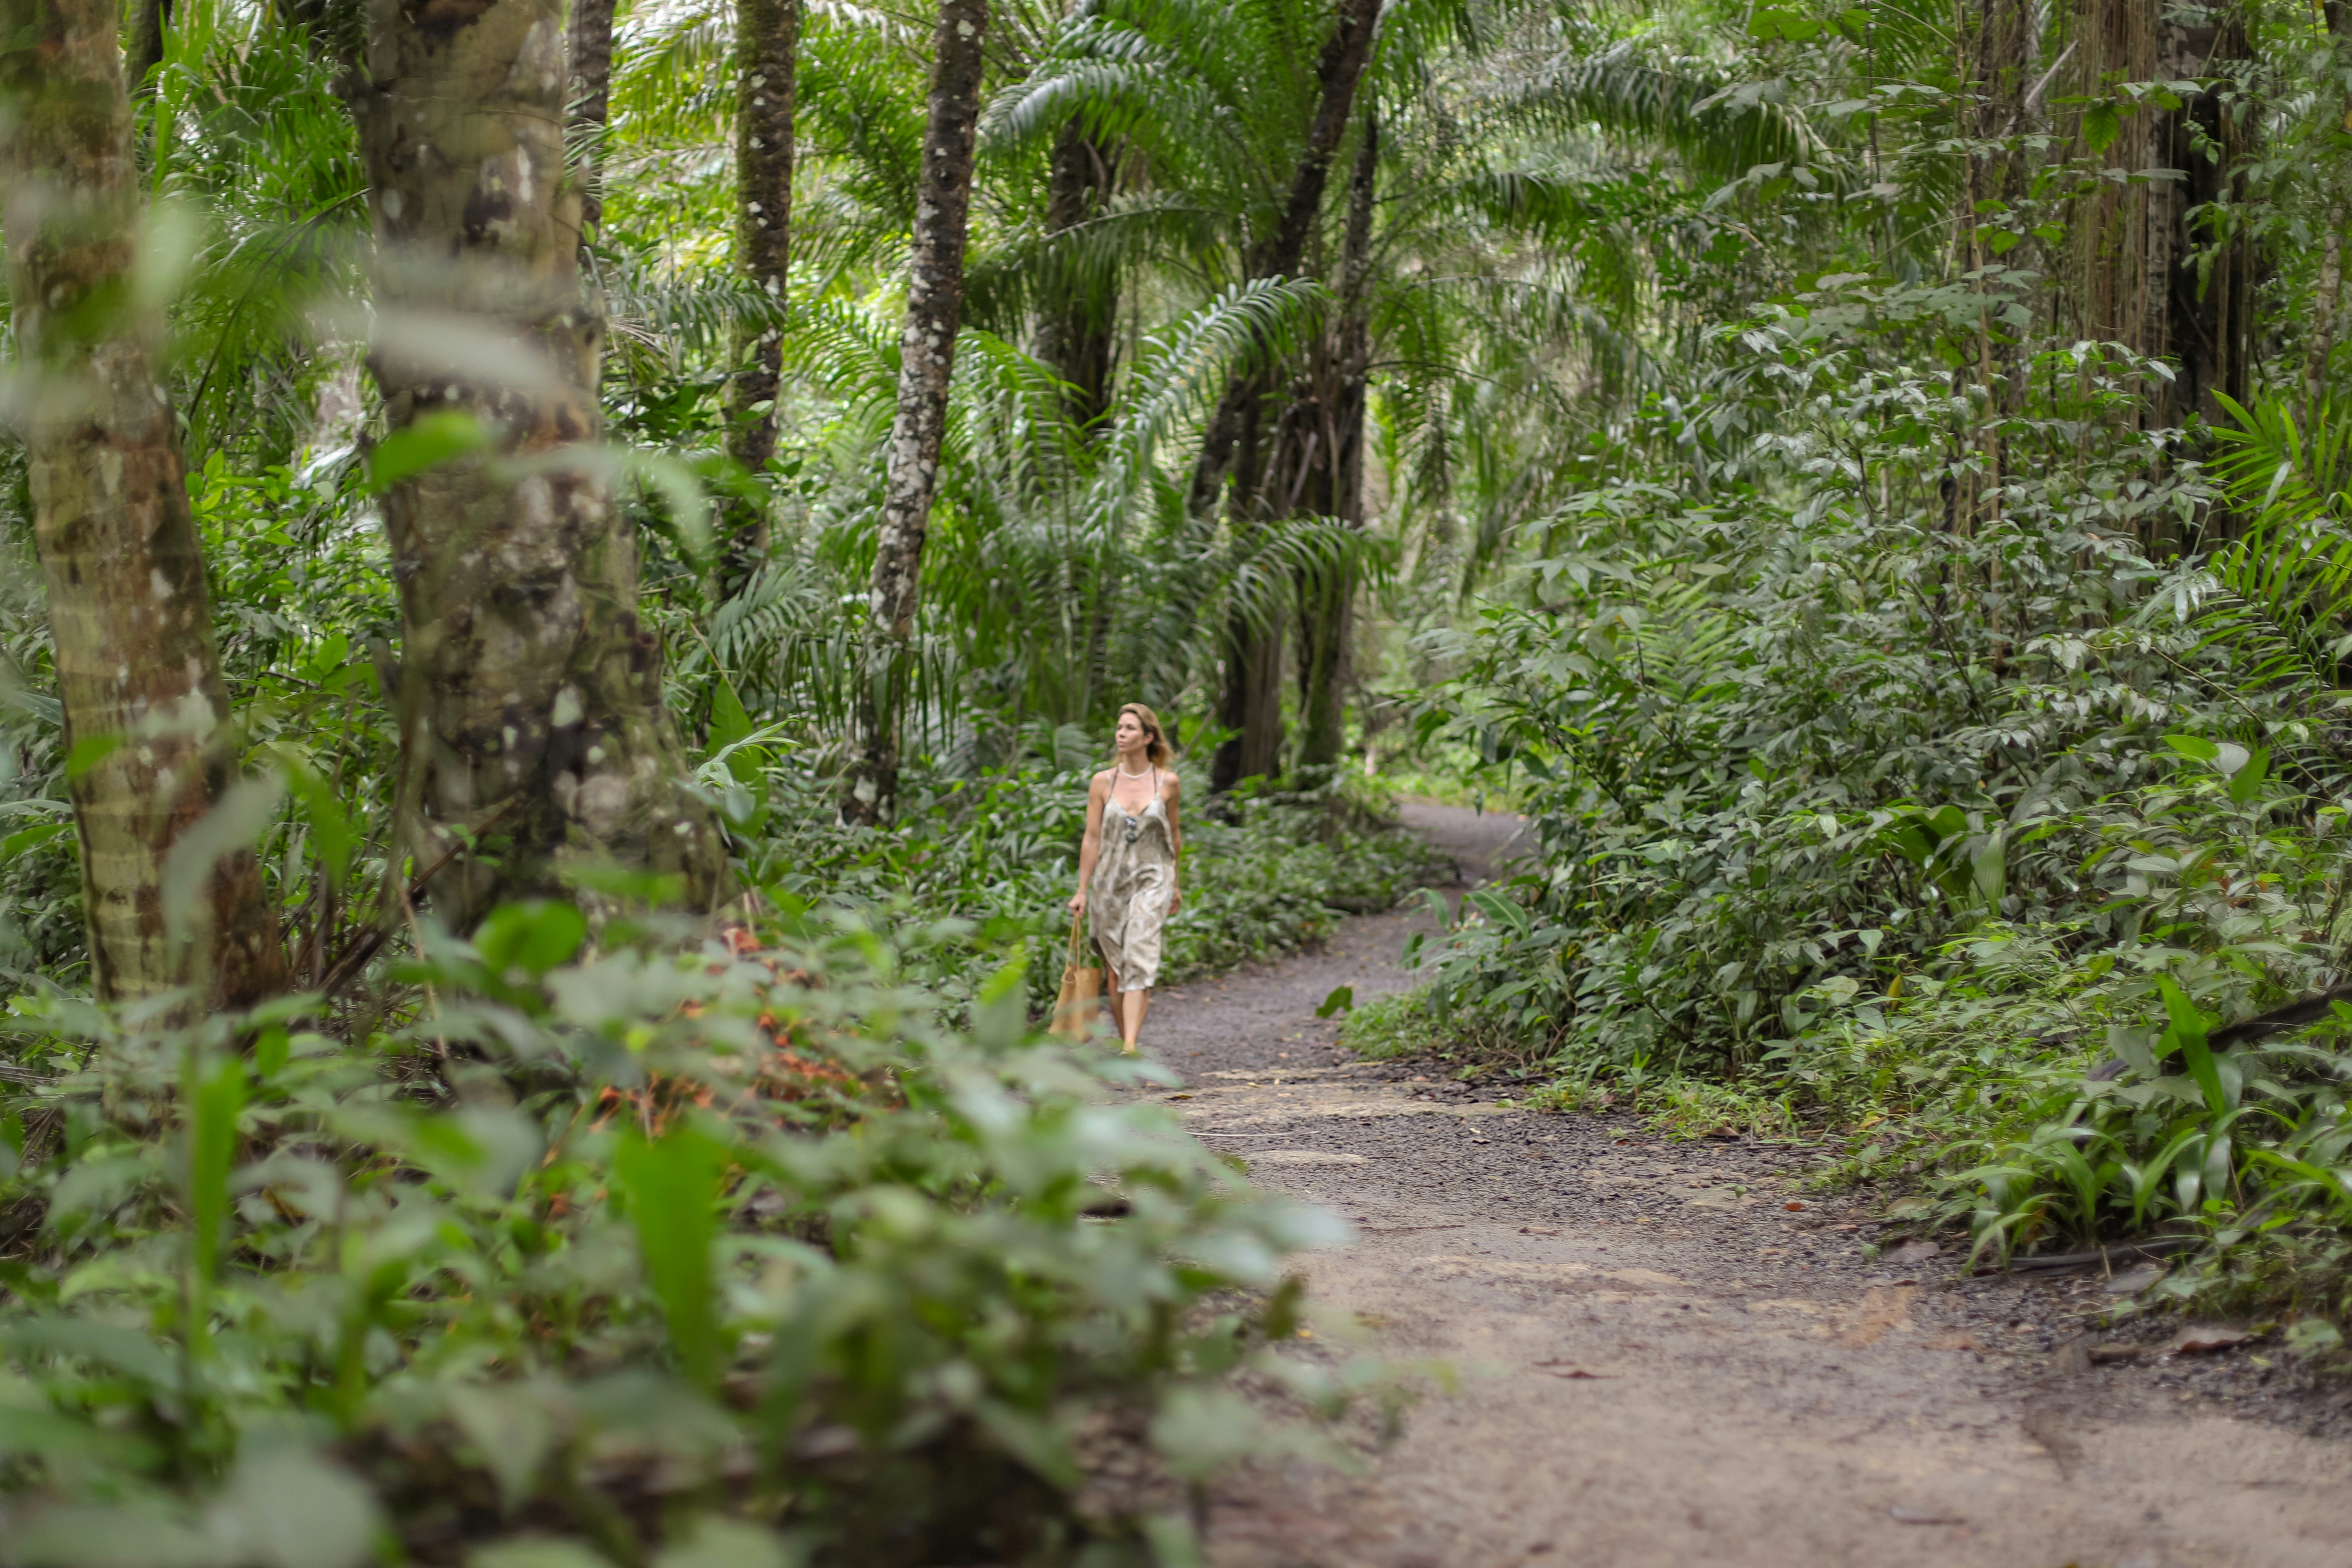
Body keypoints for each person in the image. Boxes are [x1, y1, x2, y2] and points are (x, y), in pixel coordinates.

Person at [1069, 703, 1182, 1053]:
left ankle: (1131, 1044)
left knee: (1140, 955)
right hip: (1109, 882)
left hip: (1153, 878)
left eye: (1130, 728)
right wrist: (1082, 890)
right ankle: (1126, 1041)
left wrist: (1175, 884)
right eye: (1119, 728)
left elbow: (1174, 837)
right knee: (1116, 969)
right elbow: (1092, 838)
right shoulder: (1103, 782)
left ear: (1148, 737)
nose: (1121, 734)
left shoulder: (1167, 783)